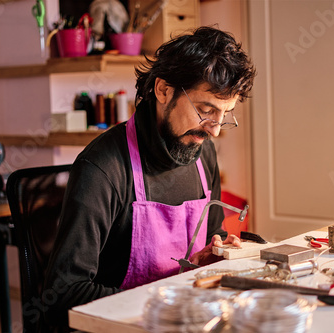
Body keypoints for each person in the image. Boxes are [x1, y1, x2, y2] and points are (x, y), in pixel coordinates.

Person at [43, 26, 256, 329]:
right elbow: (64, 293)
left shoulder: (201, 154)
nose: (215, 130)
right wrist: (169, 301)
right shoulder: (103, 168)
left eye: (225, 115)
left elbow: (211, 235)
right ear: (163, 90)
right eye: (205, 110)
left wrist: (212, 254)